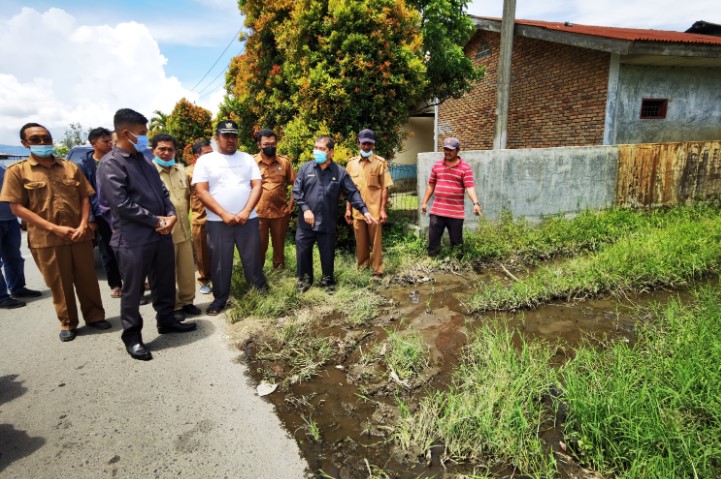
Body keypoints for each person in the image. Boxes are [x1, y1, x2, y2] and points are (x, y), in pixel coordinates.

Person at [97, 109, 196, 361]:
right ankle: (132, 337)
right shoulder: (111, 163)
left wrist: (171, 215)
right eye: (142, 134)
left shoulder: (143, 161)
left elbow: (163, 194)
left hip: (160, 235)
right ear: (125, 134)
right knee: (132, 292)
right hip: (133, 240)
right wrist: (156, 220)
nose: (144, 138)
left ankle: (166, 320)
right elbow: (120, 204)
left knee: (164, 282)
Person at [0, 123, 108, 341]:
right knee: (60, 284)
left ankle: (95, 316)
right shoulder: (17, 171)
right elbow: (17, 207)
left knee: (88, 279)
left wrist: (83, 224)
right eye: (36, 139)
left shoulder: (70, 167)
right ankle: (68, 322)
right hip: (47, 239)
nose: (42, 142)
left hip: (79, 235)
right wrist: (54, 228)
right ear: (25, 143)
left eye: (46, 138)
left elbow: (86, 197)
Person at [192, 120, 268, 316]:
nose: (230, 140)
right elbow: (201, 190)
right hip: (218, 222)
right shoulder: (205, 161)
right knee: (219, 263)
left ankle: (260, 293)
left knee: (252, 259)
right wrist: (223, 213)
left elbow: (257, 185)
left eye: (234, 136)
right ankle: (219, 300)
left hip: (248, 219)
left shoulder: (247, 159)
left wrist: (245, 211)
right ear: (217, 138)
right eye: (226, 136)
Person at [292, 135, 376, 292]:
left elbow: (352, 193)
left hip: (327, 221)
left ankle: (328, 281)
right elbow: (297, 191)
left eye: (321, 149)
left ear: (331, 152)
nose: (317, 151)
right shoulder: (305, 169)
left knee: (327, 252)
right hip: (306, 223)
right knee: (303, 252)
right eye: (316, 148)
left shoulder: (340, 172)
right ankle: (304, 281)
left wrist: (364, 210)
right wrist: (305, 208)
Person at [151, 133, 202, 321]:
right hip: (163, 233)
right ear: (153, 150)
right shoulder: (149, 173)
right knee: (167, 272)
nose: (166, 153)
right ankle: (173, 305)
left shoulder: (181, 170)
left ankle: (187, 301)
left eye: (170, 149)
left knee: (187, 269)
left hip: (183, 229)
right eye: (161, 149)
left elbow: (189, 197)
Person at [72, 127, 122, 298]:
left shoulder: (117, 160)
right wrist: (91, 219)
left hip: (122, 213)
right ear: (94, 143)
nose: (110, 144)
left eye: (111, 141)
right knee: (107, 250)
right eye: (106, 141)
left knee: (126, 249)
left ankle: (132, 279)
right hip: (101, 215)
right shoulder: (84, 166)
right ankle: (115, 284)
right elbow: (84, 196)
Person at [420, 137, 482, 257]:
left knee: (456, 240)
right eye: (445, 149)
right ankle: (432, 259)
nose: (447, 152)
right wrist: (424, 203)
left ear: (458, 150)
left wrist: (475, 203)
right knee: (433, 238)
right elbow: (431, 185)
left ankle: (457, 262)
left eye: (450, 150)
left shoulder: (465, 168)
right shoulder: (437, 166)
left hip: (455, 213)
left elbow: (469, 186)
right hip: (437, 211)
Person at [344, 129, 393, 280]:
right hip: (357, 212)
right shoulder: (351, 164)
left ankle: (377, 270)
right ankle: (363, 266)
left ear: (374, 145)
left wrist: (383, 210)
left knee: (376, 242)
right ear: (358, 143)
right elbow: (348, 189)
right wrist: (347, 209)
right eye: (363, 143)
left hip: (374, 211)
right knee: (360, 242)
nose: (366, 146)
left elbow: (384, 187)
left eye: (369, 144)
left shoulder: (380, 163)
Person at [0, 164, 42, 309]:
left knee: (14, 258)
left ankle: (17, 288)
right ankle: (1, 297)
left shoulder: (3, 167)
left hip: (10, 219)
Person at [254, 129, 295, 270]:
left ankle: (279, 273)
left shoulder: (284, 163)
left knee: (279, 245)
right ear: (259, 145)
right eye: (266, 144)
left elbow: (295, 184)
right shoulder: (252, 162)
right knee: (259, 246)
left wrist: (290, 206)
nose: (270, 146)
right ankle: (257, 274)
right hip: (258, 214)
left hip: (280, 213)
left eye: (273, 143)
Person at [186, 140, 213, 295]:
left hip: (217, 218)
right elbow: (185, 198)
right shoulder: (189, 173)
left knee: (218, 251)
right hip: (200, 219)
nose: (211, 156)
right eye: (207, 153)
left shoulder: (217, 170)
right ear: (197, 156)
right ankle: (204, 280)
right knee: (202, 253)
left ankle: (219, 278)